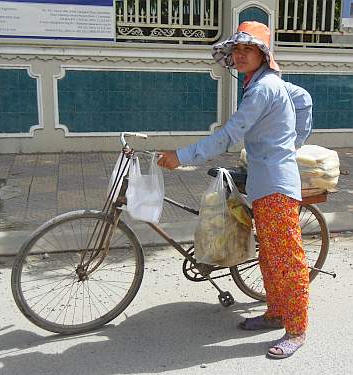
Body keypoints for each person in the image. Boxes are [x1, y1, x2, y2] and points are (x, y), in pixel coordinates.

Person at [158, 21, 311, 359]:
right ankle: (275, 312)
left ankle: (297, 329)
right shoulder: (267, 83)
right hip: (266, 180)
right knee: (270, 257)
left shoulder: (262, 89)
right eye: (236, 50)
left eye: (248, 49)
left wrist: (181, 156)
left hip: (276, 185)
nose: (240, 55)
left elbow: (229, 135)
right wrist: (290, 143)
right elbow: (304, 101)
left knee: (286, 259)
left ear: (264, 54)